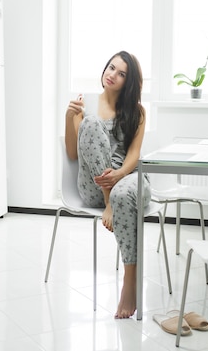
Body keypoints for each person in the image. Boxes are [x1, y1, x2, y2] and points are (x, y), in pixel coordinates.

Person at [64, 50, 151, 319]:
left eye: (121, 73)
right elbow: (72, 154)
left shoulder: (137, 111)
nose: (112, 74)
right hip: (94, 187)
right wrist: (69, 118)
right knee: (90, 123)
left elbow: (135, 155)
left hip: (128, 179)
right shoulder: (84, 105)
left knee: (124, 195)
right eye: (111, 68)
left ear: (130, 81)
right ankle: (108, 200)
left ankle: (130, 281)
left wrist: (119, 174)